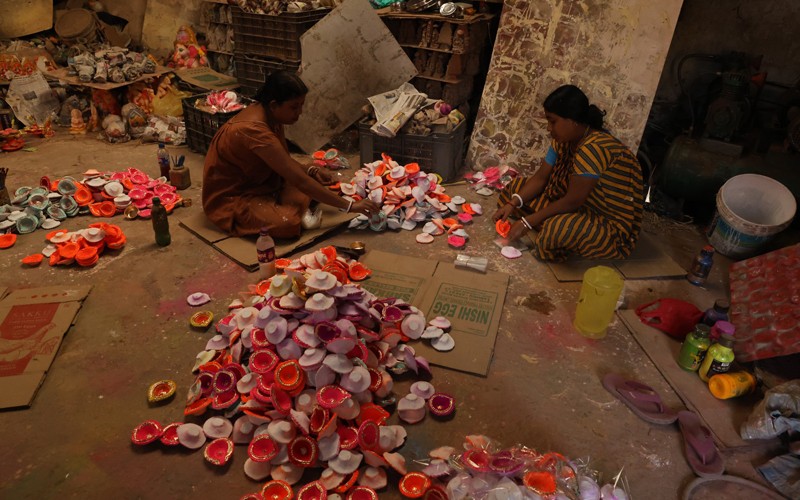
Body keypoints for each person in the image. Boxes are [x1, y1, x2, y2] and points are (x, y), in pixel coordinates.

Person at [202, 71, 378, 237]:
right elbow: (298, 180)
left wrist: (311, 171)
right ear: (274, 105)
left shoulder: (271, 116)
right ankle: (298, 209)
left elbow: (282, 161)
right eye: (294, 107)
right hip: (235, 198)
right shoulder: (254, 130)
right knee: (287, 224)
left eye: (301, 105)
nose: (299, 113)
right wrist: (350, 206)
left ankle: (299, 202)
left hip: (263, 181)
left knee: (311, 180)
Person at [493, 84, 644, 262]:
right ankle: (552, 224)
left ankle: (564, 235)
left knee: (555, 232)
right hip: (574, 206)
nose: (549, 128)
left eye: (553, 121)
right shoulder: (564, 140)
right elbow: (541, 178)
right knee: (515, 189)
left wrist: (527, 222)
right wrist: (512, 204)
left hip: (606, 224)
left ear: (572, 120)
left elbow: (573, 200)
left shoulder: (593, 148)